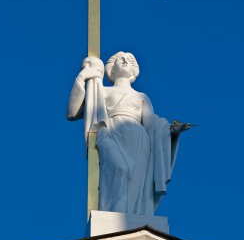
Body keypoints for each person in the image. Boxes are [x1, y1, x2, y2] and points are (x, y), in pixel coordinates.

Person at [67, 52, 180, 215]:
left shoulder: (141, 97)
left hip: (140, 142)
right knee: (120, 170)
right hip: (111, 132)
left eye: (131, 59)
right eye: (121, 59)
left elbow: (153, 124)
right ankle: (114, 217)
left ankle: (133, 219)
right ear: (111, 69)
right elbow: (73, 112)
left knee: (136, 183)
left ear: (135, 69)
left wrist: (170, 130)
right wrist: (83, 76)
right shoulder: (101, 91)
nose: (126, 60)